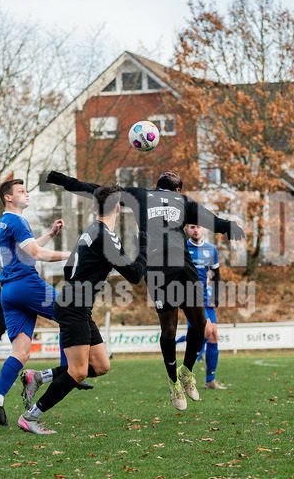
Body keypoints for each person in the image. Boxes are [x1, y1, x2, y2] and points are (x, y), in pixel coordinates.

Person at [45, 169, 244, 411]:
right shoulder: (141, 194)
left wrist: (230, 226)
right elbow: (97, 190)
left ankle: (186, 371)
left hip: (184, 264)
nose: (170, 172)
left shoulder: (184, 201)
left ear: (178, 188)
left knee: (200, 324)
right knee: (169, 330)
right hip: (158, 268)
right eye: (168, 172)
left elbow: (210, 219)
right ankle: (173, 381)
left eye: (175, 174)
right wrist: (62, 180)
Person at [18, 185, 148, 434]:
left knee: (100, 366)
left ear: (93, 207)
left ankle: (39, 377)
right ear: (118, 208)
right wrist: (144, 248)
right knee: (77, 371)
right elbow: (134, 275)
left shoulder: (92, 231)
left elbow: (70, 269)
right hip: (74, 307)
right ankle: (30, 417)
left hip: (77, 305)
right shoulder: (105, 237)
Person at [0, 178, 68, 427]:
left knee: (21, 352)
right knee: (71, 313)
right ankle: (68, 372)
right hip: (25, 284)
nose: (27, 194)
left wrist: (50, 234)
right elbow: (36, 254)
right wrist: (73, 255)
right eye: (21, 191)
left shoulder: (5, 221)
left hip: (9, 291)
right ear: (8, 197)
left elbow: (26, 250)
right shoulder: (17, 220)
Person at [186, 224, 225, 390]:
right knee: (207, 331)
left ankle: (210, 380)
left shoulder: (211, 249)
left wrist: (215, 296)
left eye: (199, 227)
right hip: (190, 297)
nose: (196, 230)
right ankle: (187, 367)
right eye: (192, 227)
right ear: (187, 229)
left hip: (207, 298)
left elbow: (216, 275)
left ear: (204, 230)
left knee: (214, 336)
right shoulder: (182, 247)